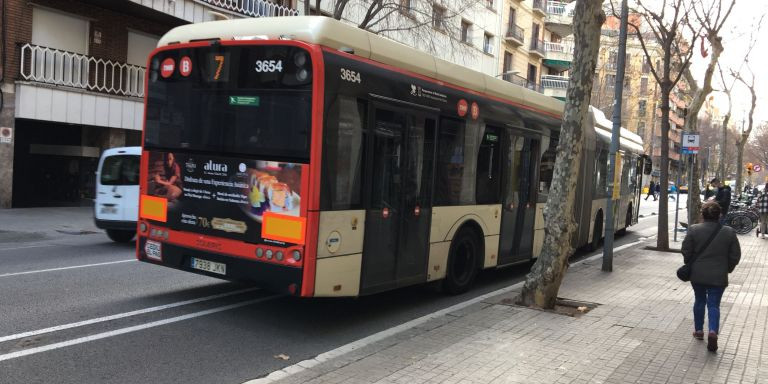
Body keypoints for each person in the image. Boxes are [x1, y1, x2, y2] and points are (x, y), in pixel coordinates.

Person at [681, 201, 741, 352]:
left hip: (698, 274)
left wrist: (691, 264)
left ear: (702, 214)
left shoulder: (694, 229)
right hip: (718, 276)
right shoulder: (729, 232)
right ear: (719, 215)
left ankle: (699, 330)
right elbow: (735, 255)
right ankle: (713, 331)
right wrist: (727, 268)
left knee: (699, 300)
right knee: (714, 304)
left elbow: (686, 250)